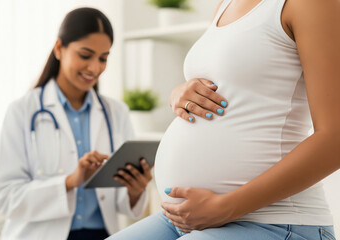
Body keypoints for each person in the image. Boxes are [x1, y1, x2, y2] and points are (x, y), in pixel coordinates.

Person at [108, 0, 339, 239]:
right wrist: (181, 92)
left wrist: (225, 207)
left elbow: (335, 140)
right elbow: (229, 82)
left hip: (274, 221)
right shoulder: (226, 4)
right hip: (181, 220)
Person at [0, 7, 153, 240]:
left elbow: (121, 202)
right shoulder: (22, 111)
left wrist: (135, 191)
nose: (95, 68)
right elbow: (6, 198)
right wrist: (70, 182)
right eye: (85, 55)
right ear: (59, 49)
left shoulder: (116, 112)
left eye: (103, 59)